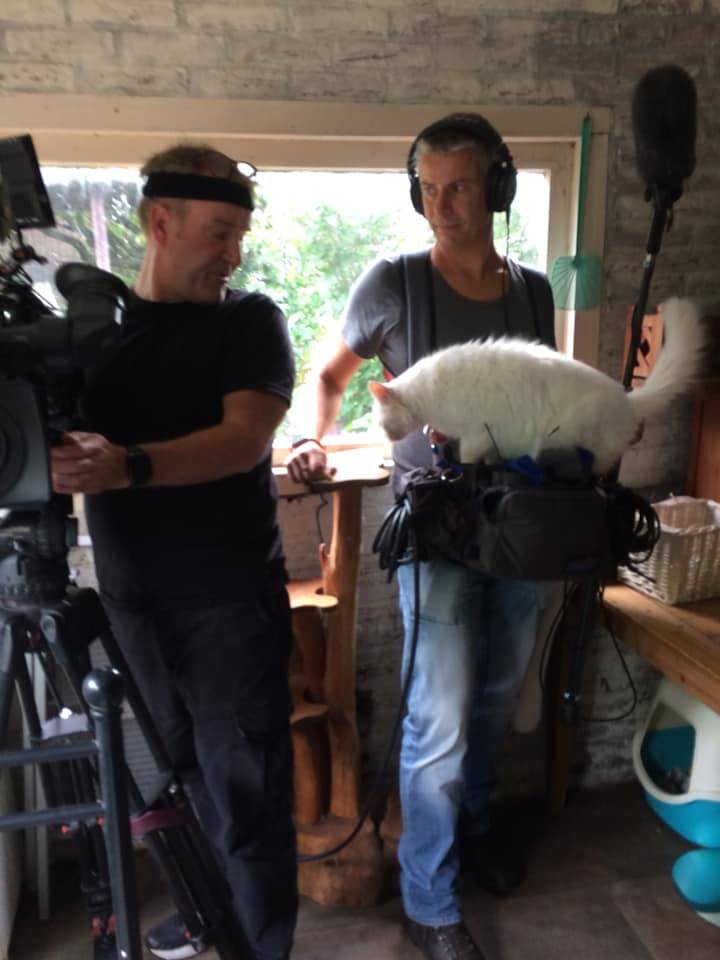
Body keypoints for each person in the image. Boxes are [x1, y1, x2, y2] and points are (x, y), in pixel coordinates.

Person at [286, 114, 555, 960]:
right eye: (429, 190)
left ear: (497, 187)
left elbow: (542, 397)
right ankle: (430, 900)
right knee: (438, 721)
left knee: (495, 694)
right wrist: (311, 437)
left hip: (521, 530)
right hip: (437, 538)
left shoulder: (534, 291)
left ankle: (475, 827)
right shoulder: (394, 283)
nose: (442, 207)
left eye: (460, 187)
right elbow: (329, 375)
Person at [51, 144, 297, 960]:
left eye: (239, 236)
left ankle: (260, 947)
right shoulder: (99, 338)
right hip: (130, 605)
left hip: (227, 605)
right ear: (161, 221)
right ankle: (209, 916)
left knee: (246, 792)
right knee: (174, 784)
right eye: (220, 234)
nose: (235, 255)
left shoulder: (249, 320)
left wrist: (130, 465)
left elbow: (242, 439)